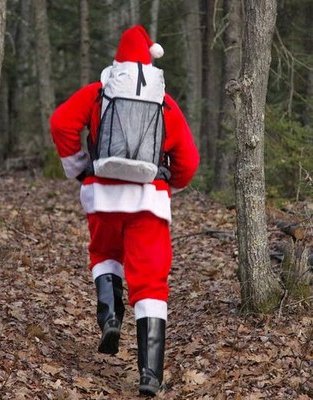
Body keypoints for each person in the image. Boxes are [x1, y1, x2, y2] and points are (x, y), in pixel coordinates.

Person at [50, 25, 199, 397]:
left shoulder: (99, 92)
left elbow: (60, 123)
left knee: (104, 253)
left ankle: (110, 316)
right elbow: (189, 161)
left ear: (117, 59)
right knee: (150, 282)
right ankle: (150, 374)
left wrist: (80, 166)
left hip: (102, 196)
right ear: (150, 60)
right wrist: (170, 186)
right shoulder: (164, 101)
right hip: (149, 202)